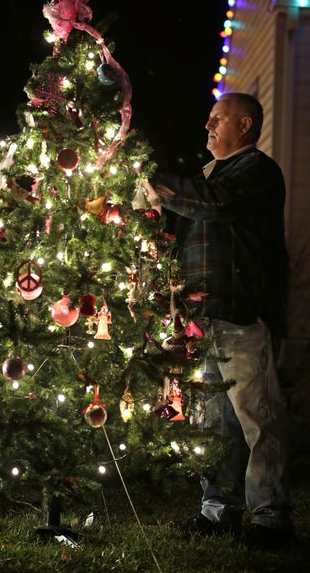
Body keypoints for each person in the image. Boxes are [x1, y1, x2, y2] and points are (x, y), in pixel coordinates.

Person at [147, 92, 294, 548]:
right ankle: (218, 513)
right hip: (203, 319)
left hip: (242, 314)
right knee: (213, 423)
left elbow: (216, 204)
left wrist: (155, 183)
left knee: (257, 417)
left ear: (245, 125)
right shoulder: (207, 178)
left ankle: (270, 519)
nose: (207, 126)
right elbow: (185, 226)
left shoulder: (256, 171)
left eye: (217, 119)